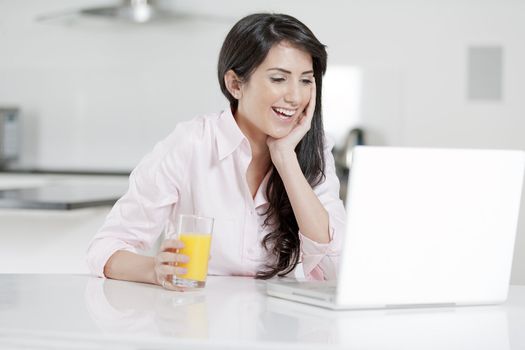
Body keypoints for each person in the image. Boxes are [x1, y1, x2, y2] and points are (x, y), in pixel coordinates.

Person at [86, 13, 346, 288]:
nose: (295, 96)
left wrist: (285, 159)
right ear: (235, 84)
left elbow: (335, 268)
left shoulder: (313, 151)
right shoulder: (191, 144)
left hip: (283, 324)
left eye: (306, 80)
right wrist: (154, 268)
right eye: (279, 79)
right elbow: (105, 247)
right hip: (196, 318)